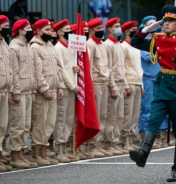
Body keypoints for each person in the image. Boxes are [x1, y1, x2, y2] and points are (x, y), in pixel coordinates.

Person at [130, 5, 176, 182]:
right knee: (154, 119)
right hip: (162, 86)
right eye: (165, 20)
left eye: (170, 21)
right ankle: (143, 154)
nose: (166, 23)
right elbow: (135, 43)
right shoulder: (158, 38)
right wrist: (145, 30)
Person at [30, 19, 74, 166]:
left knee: (49, 123)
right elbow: (37, 72)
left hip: (55, 90)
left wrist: (61, 86)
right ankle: (38, 153)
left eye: (50, 29)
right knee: (40, 122)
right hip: (44, 92)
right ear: (38, 31)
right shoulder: (35, 47)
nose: (51, 32)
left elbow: (59, 69)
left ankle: (44, 151)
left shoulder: (50, 46)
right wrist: (44, 89)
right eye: (47, 30)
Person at [9, 19, 37, 169]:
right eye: (28, 28)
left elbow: (31, 72)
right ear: (20, 31)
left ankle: (21, 152)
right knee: (18, 124)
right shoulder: (14, 48)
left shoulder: (27, 47)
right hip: (19, 92)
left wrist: (32, 90)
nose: (30, 30)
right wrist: (16, 91)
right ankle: (15, 154)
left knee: (25, 125)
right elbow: (13, 72)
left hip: (28, 91)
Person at [53, 20, 80, 163]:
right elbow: (61, 70)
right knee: (61, 119)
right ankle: (59, 147)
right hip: (65, 87)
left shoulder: (72, 47)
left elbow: (73, 66)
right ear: (60, 32)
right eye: (67, 29)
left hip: (72, 87)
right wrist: (71, 85)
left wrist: (77, 69)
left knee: (69, 119)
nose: (71, 31)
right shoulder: (58, 48)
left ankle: (66, 146)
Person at [86, 18, 111, 158]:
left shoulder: (102, 44)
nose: (101, 30)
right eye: (98, 28)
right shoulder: (89, 44)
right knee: (95, 116)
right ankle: (92, 144)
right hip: (95, 83)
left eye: (102, 27)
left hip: (104, 82)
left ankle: (98, 143)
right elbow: (88, 67)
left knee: (103, 115)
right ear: (91, 31)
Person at [104, 18, 129, 155]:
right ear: (110, 29)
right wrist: (112, 86)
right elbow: (109, 68)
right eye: (116, 26)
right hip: (113, 84)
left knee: (119, 116)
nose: (119, 28)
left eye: (120, 26)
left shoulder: (119, 45)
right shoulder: (107, 45)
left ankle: (115, 141)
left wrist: (125, 85)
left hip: (121, 82)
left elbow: (122, 68)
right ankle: (108, 142)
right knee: (111, 115)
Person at [138, 16, 162, 149]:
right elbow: (148, 57)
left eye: (155, 24)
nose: (154, 27)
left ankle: (156, 133)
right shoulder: (144, 42)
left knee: (158, 108)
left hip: (159, 78)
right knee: (147, 108)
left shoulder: (158, 40)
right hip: (147, 78)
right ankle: (145, 135)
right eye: (150, 24)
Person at [121, 21, 144, 151]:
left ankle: (130, 138)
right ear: (126, 32)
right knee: (127, 113)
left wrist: (142, 85)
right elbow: (121, 67)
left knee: (135, 114)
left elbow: (138, 67)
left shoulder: (136, 46)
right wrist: (125, 84)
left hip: (137, 81)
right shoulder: (123, 46)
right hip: (129, 82)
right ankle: (125, 140)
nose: (136, 31)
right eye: (133, 29)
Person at [0, 15, 13, 172]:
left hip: (4, 90)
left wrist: (10, 90)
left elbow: (9, 69)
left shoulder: (4, 45)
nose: (8, 28)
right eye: (5, 25)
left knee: (2, 126)